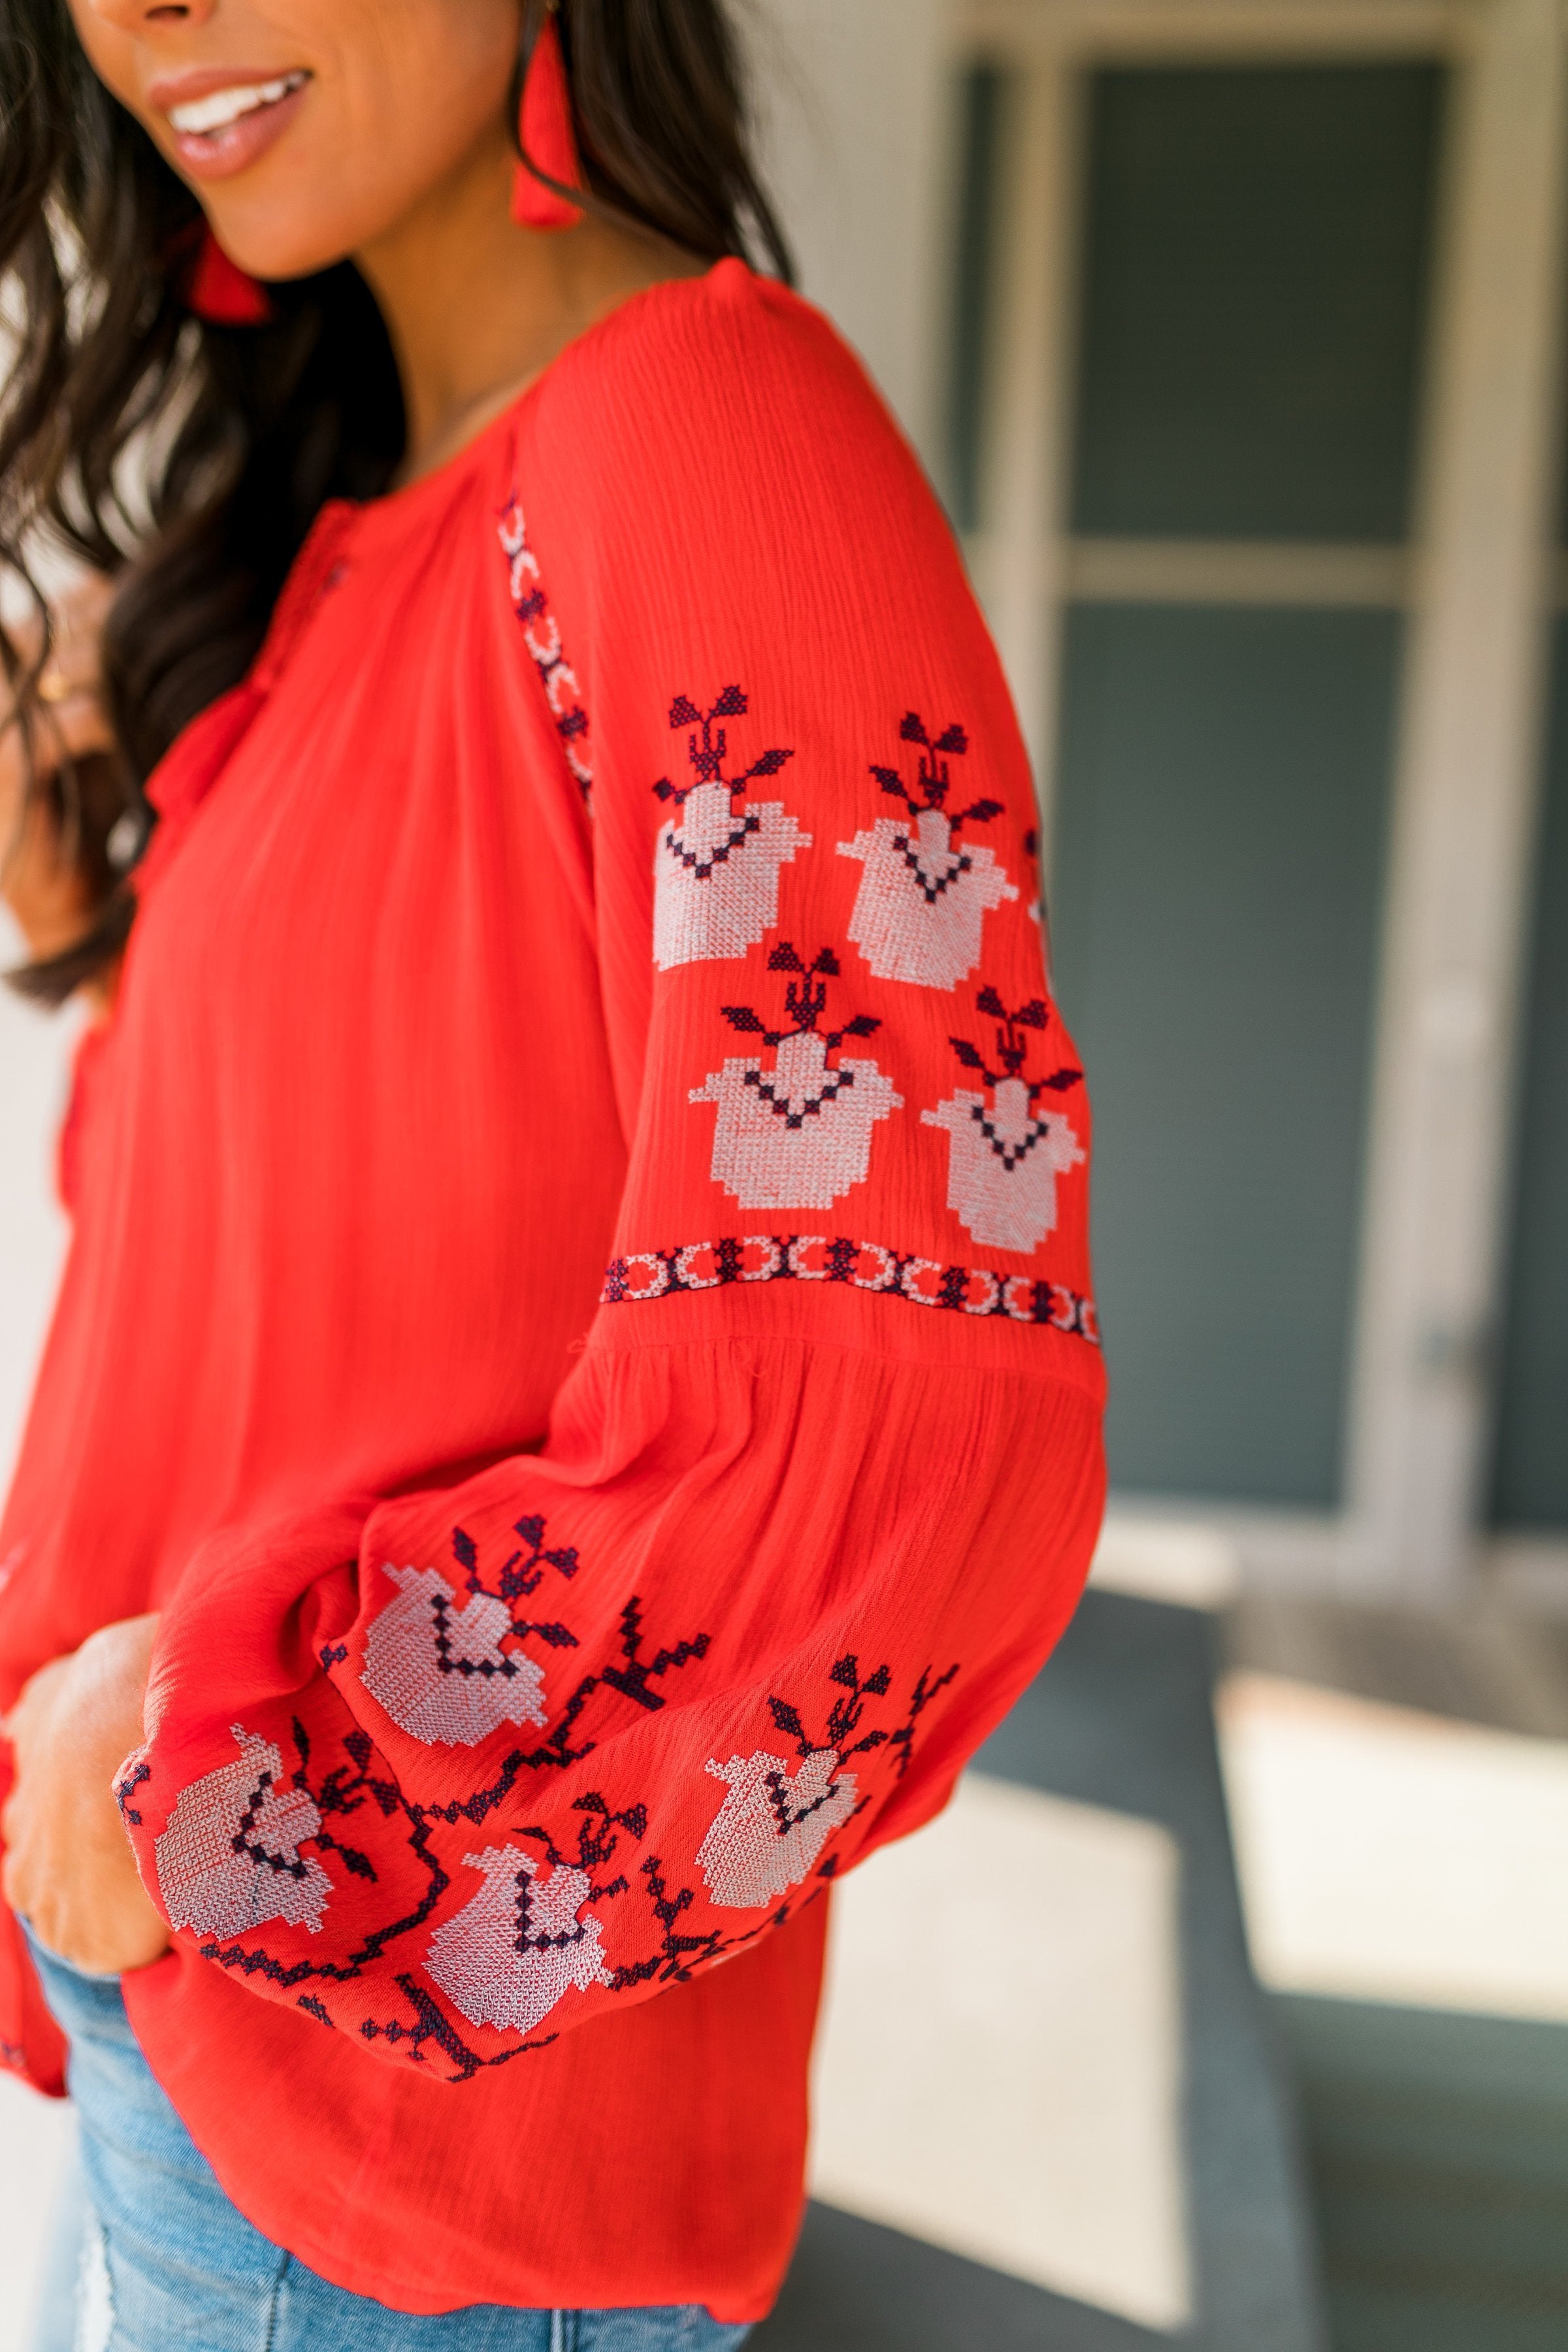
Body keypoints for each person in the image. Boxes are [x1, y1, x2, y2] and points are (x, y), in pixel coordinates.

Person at [0, 1, 1107, 2345]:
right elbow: (280, 1269)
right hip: (219, 2078)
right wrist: (108, 922)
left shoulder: (697, 440)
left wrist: (249, 1771)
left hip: (389, 2179)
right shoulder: (349, 536)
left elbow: (905, 1444)